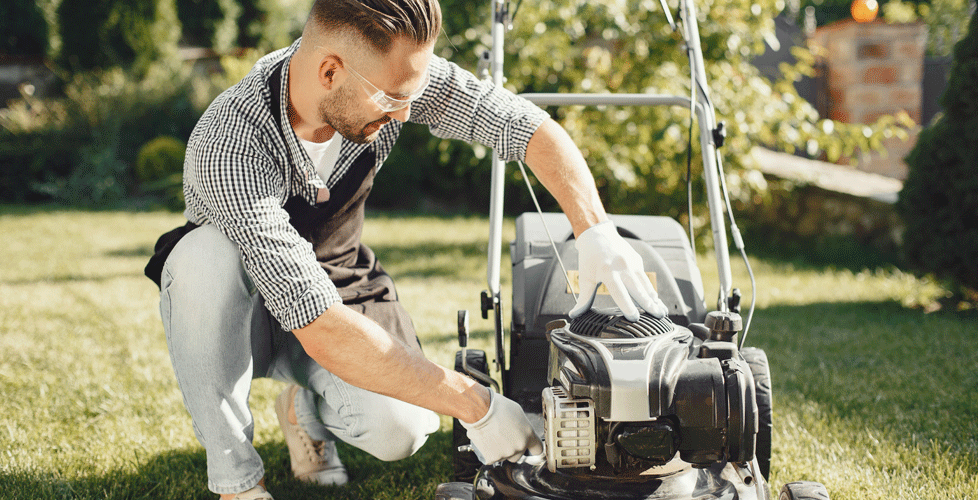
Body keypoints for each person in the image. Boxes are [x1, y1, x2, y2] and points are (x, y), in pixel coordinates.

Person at [144, 0, 668, 498]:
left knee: (404, 428)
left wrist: (595, 231)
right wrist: (478, 404)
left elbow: (523, 123)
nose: (403, 114)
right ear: (330, 72)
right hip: (247, 313)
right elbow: (318, 321)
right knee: (203, 260)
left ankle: (304, 406)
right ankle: (237, 480)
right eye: (392, 98)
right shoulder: (229, 143)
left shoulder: (392, 75)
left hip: (340, 283)